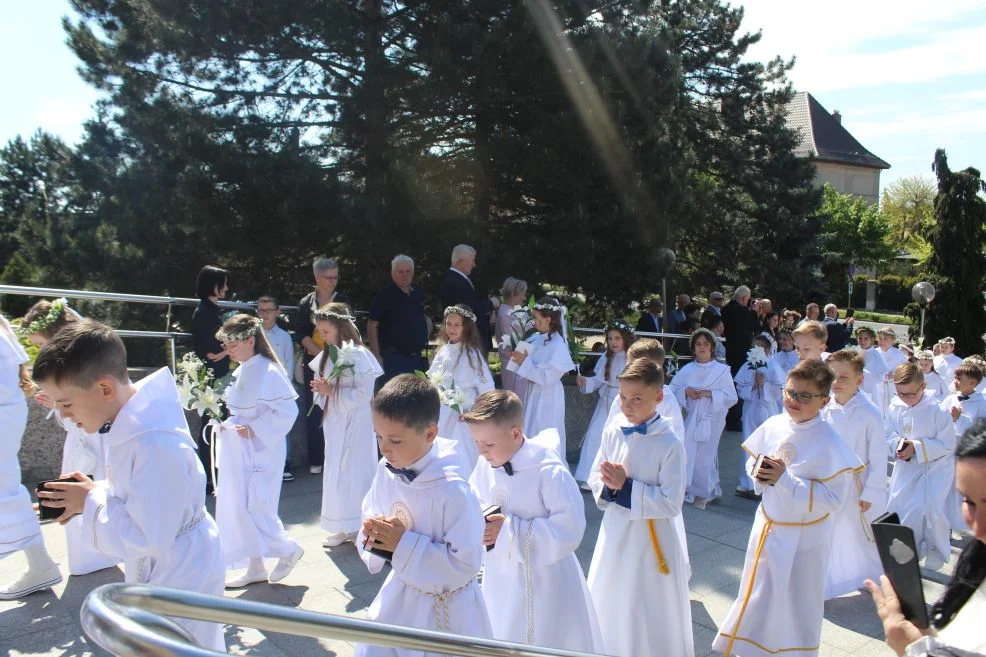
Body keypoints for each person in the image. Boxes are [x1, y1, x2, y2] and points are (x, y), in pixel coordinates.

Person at [35, 320, 225, 650]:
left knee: (180, 646)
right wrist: (96, 491)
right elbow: (142, 497)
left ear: (105, 389)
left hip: (179, 573)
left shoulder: (156, 444)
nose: (64, 416)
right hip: (174, 559)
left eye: (66, 404)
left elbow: (146, 536)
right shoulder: (134, 422)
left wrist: (89, 503)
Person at [713, 360, 862, 657]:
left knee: (796, 601)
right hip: (769, 524)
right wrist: (759, 472)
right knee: (760, 592)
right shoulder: (774, 423)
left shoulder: (831, 442)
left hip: (805, 538)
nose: (793, 401)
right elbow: (752, 460)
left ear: (824, 399)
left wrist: (786, 480)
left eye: (804, 396)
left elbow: (833, 499)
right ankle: (751, 647)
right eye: (790, 392)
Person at [356, 375, 492, 656]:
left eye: (394, 440)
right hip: (401, 593)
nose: (384, 448)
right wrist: (373, 531)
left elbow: (465, 563)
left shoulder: (453, 491)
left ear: (430, 434)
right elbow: (372, 507)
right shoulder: (387, 467)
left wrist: (402, 544)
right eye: (378, 436)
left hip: (445, 607)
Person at [465, 391, 603, 652]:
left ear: (516, 434)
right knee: (503, 628)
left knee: (548, 637)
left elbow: (570, 529)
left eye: (488, 444)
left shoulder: (549, 471)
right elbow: (474, 498)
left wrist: (507, 530)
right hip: (502, 575)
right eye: (477, 443)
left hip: (547, 578)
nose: (481, 452)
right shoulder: (487, 463)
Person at [587, 359, 694, 657]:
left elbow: (672, 502)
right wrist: (607, 484)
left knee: (646, 602)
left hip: (653, 539)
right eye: (622, 397)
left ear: (658, 397)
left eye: (637, 398)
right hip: (617, 531)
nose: (627, 405)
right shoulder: (613, 431)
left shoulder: (670, 444)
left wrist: (627, 487)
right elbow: (595, 474)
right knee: (614, 594)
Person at [866, 422, 986, 656]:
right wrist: (926, 637)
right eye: (969, 502)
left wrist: (914, 648)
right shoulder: (976, 559)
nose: (978, 528)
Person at [19, 299, 118, 577]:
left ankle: (98, 550)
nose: (40, 351)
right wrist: (59, 407)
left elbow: (89, 413)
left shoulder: (83, 362)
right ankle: (93, 550)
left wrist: (61, 406)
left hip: (96, 436)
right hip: (82, 437)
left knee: (91, 481)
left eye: (40, 345)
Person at [212, 314, 304, 588]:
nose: (227, 350)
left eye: (232, 345)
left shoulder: (269, 371)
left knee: (257, 505)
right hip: (239, 448)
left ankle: (288, 549)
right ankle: (255, 565)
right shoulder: (242, 370)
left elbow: (288, 411)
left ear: (250, 340)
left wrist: (254, 430)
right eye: (226, 345)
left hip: (261, 451)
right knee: (239, 505)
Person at [310, 303, 383, 547]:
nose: (322, 336)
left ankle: (363, 524)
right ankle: (341, 524)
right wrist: (321, 391)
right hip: (335, 422)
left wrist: (333, 391)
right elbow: (321, 390)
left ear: (341, 328)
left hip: (357, 421)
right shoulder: (325, 357)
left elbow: (364, 393)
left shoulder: (359, 354)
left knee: (356, 470)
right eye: (319, 331)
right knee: (336, 471)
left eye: (326, 331)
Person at [0, 313, 61, 599]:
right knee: (8, 488)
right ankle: (41, 564)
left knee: (7, 490)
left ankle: (41, 565)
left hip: (4, 415)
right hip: (8, 415)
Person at [822, 349, 887, 600]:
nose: (836, 382)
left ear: (860, 380)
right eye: (833, 376)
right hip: (830, 481)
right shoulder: (825, 407)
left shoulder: (870, 413)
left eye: (844, 377)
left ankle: (872, 576)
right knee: (831, 532)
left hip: (859, 483)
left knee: (861, 532)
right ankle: (829, 580)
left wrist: (872, 491)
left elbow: (880, 457)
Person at [885, 363, 954, 571]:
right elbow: (888, 433)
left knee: (931, 507)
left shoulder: (938, 409)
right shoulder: (894, 406)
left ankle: (937, 548)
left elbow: (947, 444)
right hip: (907, 467)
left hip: (936, 467)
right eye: (900, 394)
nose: (905, 399)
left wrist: (916, 447)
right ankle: (910, 549)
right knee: (902, 506)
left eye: (910, 394)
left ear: (923, 387)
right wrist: (898, 445)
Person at [670, 328, 738, 509]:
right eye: (698, 344)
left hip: (712, 417)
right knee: (689, 450)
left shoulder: (722, 371)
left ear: (712, 348)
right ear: (693, 348)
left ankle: (705, 491)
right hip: (692, 418)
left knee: (706, 454)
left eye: (706, 344)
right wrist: (686, 392)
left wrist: (711, 394)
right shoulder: (687, 369)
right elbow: (672, 389)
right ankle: (691, 487)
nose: (702, 348)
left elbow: (732, 397)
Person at [297, 256, 352, 475]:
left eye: (336, 277)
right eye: (328, 277)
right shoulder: (306, 303)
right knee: (315, 409)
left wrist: (333, 355)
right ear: (317, 277)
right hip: (315, 362)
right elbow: (301, 333)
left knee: (338, 404)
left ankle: (341, 456)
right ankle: (317, 459)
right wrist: (321, 354)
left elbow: (348, 328)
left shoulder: (343, 300)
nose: (333, 281)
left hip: (339, 359)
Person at [427, 305, 495, 469]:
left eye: (457, 325)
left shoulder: (472, 354)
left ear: (467, 327)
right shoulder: (443, 350)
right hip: (443, 412)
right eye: (449, 324)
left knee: (462, 457)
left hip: (463, 415)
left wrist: (473, 411)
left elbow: (487, 388)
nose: (452, 328)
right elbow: (435, 380)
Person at [510, 299, 575, 461]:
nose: (534, 322)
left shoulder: (558, 345)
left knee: (543, 429)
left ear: (548, 320)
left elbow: (547, 378)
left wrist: (523, 362)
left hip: (548, 397)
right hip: (533, 392)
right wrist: (517, 355)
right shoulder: (534, 338)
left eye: (538, 319)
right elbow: (515, 365)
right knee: (530, 427)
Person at [574, 320, 633, 486]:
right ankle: (589, 476)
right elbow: (599, 381)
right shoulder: (606, 357)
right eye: (610, 338)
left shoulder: (631, 358)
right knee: (594, 436)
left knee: (619, 439)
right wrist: (585, 382)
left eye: (617, 338)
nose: (613, 342)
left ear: (626, 339)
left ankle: (615, 477)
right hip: (605, 404)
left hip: (622, 404)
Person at [191, 264, 230, 489]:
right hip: (214, 378)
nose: (226, 288)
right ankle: (209, 476)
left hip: (218, 376)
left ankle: (214, 474)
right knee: (212, 426)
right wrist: (229, 350)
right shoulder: (205, 312)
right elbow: (211, 353)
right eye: (222, 283)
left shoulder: (210, 310)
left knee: (216, 424)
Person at [367, 255, 429, 386]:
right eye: (400, 271)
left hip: (417, 358)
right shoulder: (384, 295)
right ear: (392, 273)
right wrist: (376, 355)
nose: (404, 275)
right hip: (393, 358)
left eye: (408, 271)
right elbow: (372, 324)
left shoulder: (417, 292)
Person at [256, 295, 297, 482]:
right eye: (261, 310)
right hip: (257, 387)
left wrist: (283, 385)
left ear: (277, 312)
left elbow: (288, 363)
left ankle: (284, 462)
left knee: (281, 424)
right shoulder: (253, 335)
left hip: (278, 386)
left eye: (268, 310)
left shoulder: (284, 336)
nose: (264, 314)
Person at [941, 364, 986, 531]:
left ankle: (964, 522)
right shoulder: (950, 398)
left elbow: (980, 431)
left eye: (960, 379)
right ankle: (945, 525)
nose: (955, 381)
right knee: (944, 488)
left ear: (973, 383)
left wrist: (960, 419)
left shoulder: (982, 403)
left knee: (959, 490)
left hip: (965, 453)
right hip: (946, 450)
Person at [734, 336, 778, 500]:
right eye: (754, 346)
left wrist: (764, 384)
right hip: (751, 409)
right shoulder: (747, 365)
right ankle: (747, 482)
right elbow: (740, 388)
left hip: (766, 409)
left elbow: (778, 389)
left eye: (760, 346)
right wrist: (754, 384)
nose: (757, 349)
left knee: (766, 445)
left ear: (767, 350)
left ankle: (762, 480)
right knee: (750, 443)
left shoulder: (773, 365)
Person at [439, 244, 496, 353]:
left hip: (471, 342)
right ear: (460, 260)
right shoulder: (455, 282)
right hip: (468, 343)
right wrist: (490, 303)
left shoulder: (459, 279)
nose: (474, 265)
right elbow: (468, 310)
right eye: (472, 260)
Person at [721, 286, 759, 430]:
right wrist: (754, 312)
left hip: (730, 350)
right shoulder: (743, 311)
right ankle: (734, 419)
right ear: (744, 298)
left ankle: (730, 417)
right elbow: (755, 327)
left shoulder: (725, 309)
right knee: (740, 385)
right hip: (742, 352)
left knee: (731, 384)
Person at [495, 277, 530, 403]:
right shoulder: (506, 315)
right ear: (514, 294)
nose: (524, 298)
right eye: (523, 294)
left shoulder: (511, 312)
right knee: (515, 403)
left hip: (519, 364)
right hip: (513, 364)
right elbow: (512, 345)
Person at [856, 327, 889, 410]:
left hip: (869, 389)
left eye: (866, 338)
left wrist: (863, 372)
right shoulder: (857, 351)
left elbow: (882, 374)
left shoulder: (875, 355)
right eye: (860, 338)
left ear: (871, 340)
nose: (862, 341)